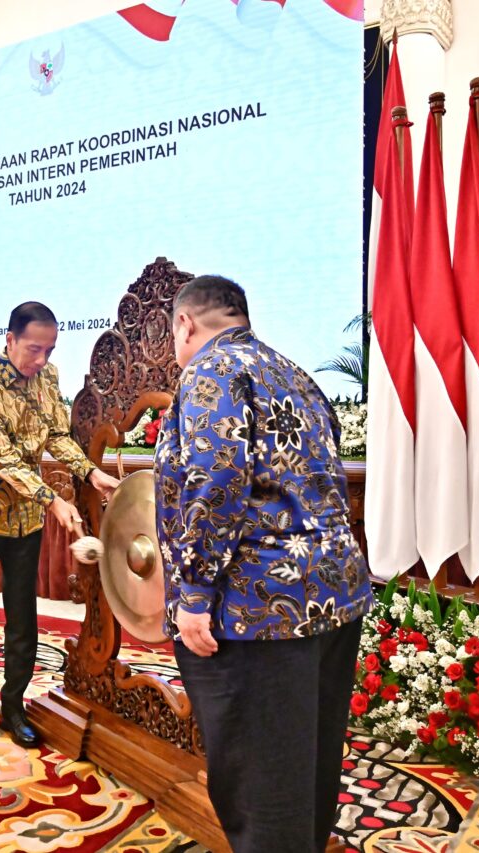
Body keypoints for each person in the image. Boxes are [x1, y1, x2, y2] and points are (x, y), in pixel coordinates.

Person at [154, 276, 372, 852]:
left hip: (256, 612)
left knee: (262, 787)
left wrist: (194, 593)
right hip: (333, 595)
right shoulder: (294, 374)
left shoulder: (210, 371)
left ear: (184, 324)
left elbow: (217, 479)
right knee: (309, 765)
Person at [0, 301, 120, 750]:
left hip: (25, 519)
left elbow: (56, 435)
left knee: (23, 615)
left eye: (49, 350)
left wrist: (90, 473)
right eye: (34, 349)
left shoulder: (48, 377)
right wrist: (52, 499)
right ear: (10, 340)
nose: (41, 359)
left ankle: (14, 707)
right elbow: (0, 457)